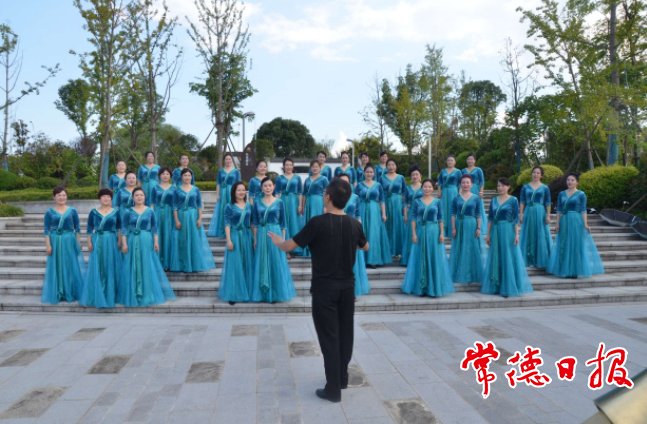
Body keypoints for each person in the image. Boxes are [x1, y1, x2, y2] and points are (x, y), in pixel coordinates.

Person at [267, 177, 369, 403]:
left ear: (328, 197)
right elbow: (366, 246)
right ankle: (342, 378)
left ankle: (333, 389)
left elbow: (289, 245)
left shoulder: (317, 223)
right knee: (345, 334)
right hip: (347, 288)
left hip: (325, 289)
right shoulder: (354, 224)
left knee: (329, 338)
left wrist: (277, 241)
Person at [119, 188, 177, 306]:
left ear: (145, 197)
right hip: (132, 240)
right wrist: (124, 244)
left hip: (146, 239)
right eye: (136, 195)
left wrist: (156, 242)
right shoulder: (128, 211)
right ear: (133, 198)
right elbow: (124, 229)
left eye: (141, 195)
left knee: (147, 265)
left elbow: (154, 228)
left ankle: (147, 294)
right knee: (133, 265)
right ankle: (134, 294)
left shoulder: (150, 211)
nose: (139, 197)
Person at [401, 179, 455, 297]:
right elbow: (413, 218)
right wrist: (414, 234)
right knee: (421, 257)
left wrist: (442, 234)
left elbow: (441, 218)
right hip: (421, 231)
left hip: (434, 231)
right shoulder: (417, 202)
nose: (427, 189)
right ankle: (422, 287)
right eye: (425, 186)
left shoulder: (437, 202)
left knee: (433, 257)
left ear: (433, 188)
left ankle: (434, 287)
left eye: (429, 187)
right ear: (422, 188)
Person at [481, 178, 533, 297]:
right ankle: (497, 285)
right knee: (497, 255)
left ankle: (509, 286)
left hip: (508, 230)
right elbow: (490, 218)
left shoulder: (513, 200)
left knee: (508, 257)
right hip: (496, 230)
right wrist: (488, 235)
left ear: (509, 187)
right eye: (498, 186)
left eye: (503, 186)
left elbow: (515, 219)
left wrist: (517, 235)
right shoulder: (494, 200)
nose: (500, 188)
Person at [547, 173, 605, 278]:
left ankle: (575, 270)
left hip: (576, 220)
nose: (570, 182)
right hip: (564, 220)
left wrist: (585, 224)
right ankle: (564, 269)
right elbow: (559, 210)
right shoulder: (561, 194)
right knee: (564, 243)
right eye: (568, 180)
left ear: (577, 182)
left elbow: (583, 210)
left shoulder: (581, 194)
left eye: (572, 180)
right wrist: (557, 223)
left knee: (576, 244)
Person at [250, 177, 296, 303]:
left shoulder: (279, 202)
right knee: (262, 261)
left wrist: (283, 242)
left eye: (270, 185)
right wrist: (255, 239)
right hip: (262, 233)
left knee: (276, 261)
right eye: (265, 186)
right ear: (261, 188)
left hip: (276, 233)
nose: (268, 188)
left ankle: (276, 293)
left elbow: (283, 223)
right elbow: (255, 222)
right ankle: (263, 294)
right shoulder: (257, 202)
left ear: (274, 187)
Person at [42, 187, 86, 305]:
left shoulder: (72, 210)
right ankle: (58, 292)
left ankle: (70, 291)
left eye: (63, 195)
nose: (61, 197)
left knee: (70, 265)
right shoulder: (49, 212)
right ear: (54, 197)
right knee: (57, 265)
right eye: (59, 195)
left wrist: (78, 242)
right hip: (55, 241)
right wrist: (48, 246)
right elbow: (46, 230)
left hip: (69, 240)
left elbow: (77, 228)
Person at [80, 189, 121, 308]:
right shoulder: (93, 212)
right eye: (103, 196)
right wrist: (89, 242)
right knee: (98, 265)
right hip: (98, 240)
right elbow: (89, 228)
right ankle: (98, 293)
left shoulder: (116, 212)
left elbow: (119, 227)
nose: (106, 198)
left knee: (111, 264)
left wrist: (119, 241)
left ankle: (111, 293)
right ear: (99, 198)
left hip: (111, 240)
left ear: (111, 198)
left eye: (108, 196)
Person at [171, 169, 216, 273]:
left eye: (189, 175)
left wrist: (200, 218)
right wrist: (176, 220)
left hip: (193, 216)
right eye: (185, 175)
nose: (187, 177)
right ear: (181, 177)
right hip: (181, 216)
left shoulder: (195, 189)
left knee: (194, 239)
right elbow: (174, 206)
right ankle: (182, 264)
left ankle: (194, 263)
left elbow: (199, 205)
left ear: (191, 177)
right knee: (181, 239)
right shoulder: (177, 190)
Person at [219, 182, 255, 305]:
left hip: (247, 236)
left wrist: (255, 238)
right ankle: (233, 293)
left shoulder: (249, 206)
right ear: (234, 192)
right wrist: (229, 240)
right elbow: (227, 224)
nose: (241, 192)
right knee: (234, 264)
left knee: (247, 263)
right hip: (234, 236)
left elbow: (252, 223)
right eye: (238, 190)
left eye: (243, 190)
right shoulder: (229, 206)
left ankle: (248, 291)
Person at [449, 175, 487, 284]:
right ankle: (459, 272)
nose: (465, 184)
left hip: (471, 224)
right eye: (463, 182)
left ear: (471, 184)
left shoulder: (476, 198)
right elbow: (453, 214)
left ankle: (472, 273)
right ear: (460, 184)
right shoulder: (456, 198)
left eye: (467, 182)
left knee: (471, 247)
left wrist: (479, 228)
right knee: (460, 247)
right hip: (459, 224)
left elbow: (478, 214)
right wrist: (453, 228)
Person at [339, 173, 370, 298]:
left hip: (351, 231)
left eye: (346, 181)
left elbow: (358, 216)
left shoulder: (355, 197)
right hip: (337, 231)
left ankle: (352, 292)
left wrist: (359, 233)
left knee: (353, 262)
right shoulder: (333, 196)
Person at [354, 164, 392, 267]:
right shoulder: (359, 185)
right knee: (362, 232)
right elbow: (355, 199)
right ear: (364, 173)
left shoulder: (378, 185)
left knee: (373, 233)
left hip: (374, 210)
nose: (369, 174)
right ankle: (362, 260)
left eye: (371, 172)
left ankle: (373, 260)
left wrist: (383, 214)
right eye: (367, 172)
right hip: (362, 209)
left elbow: (382, 200)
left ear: (374, 173)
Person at [519, 166, 552, 268]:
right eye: (534, 172)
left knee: (541, 233)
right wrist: (521, 214)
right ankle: (528, 259)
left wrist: (548, 215)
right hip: (528, 211)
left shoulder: (545, 188)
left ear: (541, 175)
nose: (535, 174)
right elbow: (522, 201)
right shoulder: (525, 187)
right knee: (528, 233)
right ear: (531, 173)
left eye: (538, 173)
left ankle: (542, 259)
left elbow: (548, 202)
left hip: (540, 212)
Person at [274, 157, 304, 258]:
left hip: (294, 202)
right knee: (284, 224)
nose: (289, 167)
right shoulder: (279, 178)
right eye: (287, 165)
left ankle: (294, 248)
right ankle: (285, 249)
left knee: (294, 224)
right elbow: (277, 193)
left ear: (293, 166)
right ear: (283, 166)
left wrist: (300, 206)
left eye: (290, 165)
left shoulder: (297, 178)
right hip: (283, 201)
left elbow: (300, 192)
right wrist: (276, 206)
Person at [207, 153, 241, 237]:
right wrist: (217, 194)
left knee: (233, 210)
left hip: (232, 192)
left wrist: (238, 194)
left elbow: (238, 184)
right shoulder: (220, 171)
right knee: (223, 210)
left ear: (232, 160)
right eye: (226, 159)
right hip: (223, 192)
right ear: (224, 160)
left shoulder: (236, 171)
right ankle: (223, 230)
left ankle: (232, 230)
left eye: (229, 159)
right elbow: (218, 183)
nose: (228, 160)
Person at [380, 158, 406, 258]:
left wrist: (404, 207)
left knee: (398, 224)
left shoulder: (401, 178)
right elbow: (379, 193)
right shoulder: (382, 178)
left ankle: (397, 250)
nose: (391, 167)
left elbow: (404, 192)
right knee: (387, 224)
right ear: (386, 166)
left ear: (396, 166)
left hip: (397, 202)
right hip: (386, 202)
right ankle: (387, 250)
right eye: (389, 165)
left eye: (393, 165)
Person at [302, 161, 329, 256]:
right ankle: (310, 249)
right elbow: (304, 194)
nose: (315, 168)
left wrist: (326, 206)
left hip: (319, 202)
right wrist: (303, 206)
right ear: (310, 168)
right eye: (313, 167)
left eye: (317, 166)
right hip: (309, 203)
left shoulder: (324, 179)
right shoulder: (307, 179)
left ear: (320, 168)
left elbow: (327, 193)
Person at [152, 167, 176, 270]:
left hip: (169, 214)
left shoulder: (174, 188)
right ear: (159, 175)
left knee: (168, 235)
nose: (165, 176)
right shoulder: (155, 188)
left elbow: (176, 204)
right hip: (157, 213)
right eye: (163, 174)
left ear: (170, 176)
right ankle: (157, 263)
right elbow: (152, 202)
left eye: (167, 174)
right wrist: (151, 215)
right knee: (158, 235)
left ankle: (168, 263)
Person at [401, 165, 423, 266]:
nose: (415, 176)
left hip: (422, 213)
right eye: (413, 175)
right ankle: (409, 259)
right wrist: (405, 215)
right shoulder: (408, 188)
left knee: (420, 233)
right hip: (411, 213)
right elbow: (405, 202)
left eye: (417, 174)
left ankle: (420, 258)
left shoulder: (424, 187)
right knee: (410, 234)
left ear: (420, 176)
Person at [461, 153, 488, 234]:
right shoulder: (463, 170)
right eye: (468, 159)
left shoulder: (478, 170)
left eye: (471, 159)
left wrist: (481, 191)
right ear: (466, 160)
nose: (470, 161)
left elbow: (482, 181)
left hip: (476, 190)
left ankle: (480, 227)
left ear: (475, 160)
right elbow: (460, 182)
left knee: (477, 208)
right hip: (465, 190)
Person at [438, 155, 462, 238]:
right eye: (448, 160)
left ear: (455, 162)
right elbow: (439, 182)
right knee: (443, 209)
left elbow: (460, 183)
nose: (450, 162)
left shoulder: (458, 171)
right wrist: (439, 191)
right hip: (444, 192)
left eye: (452, 160)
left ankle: (453, 229)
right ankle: (443, 230)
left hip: (453, 191)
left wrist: (459, 193)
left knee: (453, 209)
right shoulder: (443, 171)